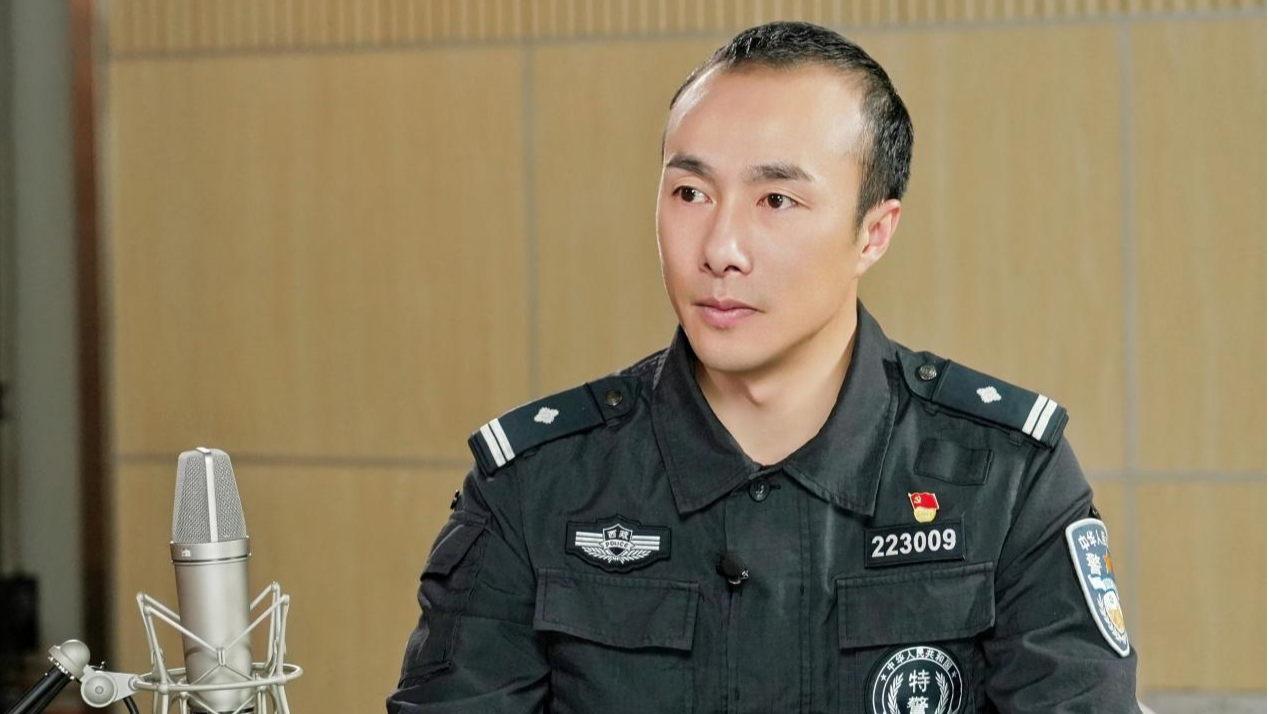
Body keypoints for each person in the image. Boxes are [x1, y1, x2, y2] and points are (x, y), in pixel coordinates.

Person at [387, 20, 1139, 714]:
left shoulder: (1005, 477)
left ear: (874, 233)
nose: (720, 248)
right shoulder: (537, 483)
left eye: (775, 200)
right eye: (690, 192)